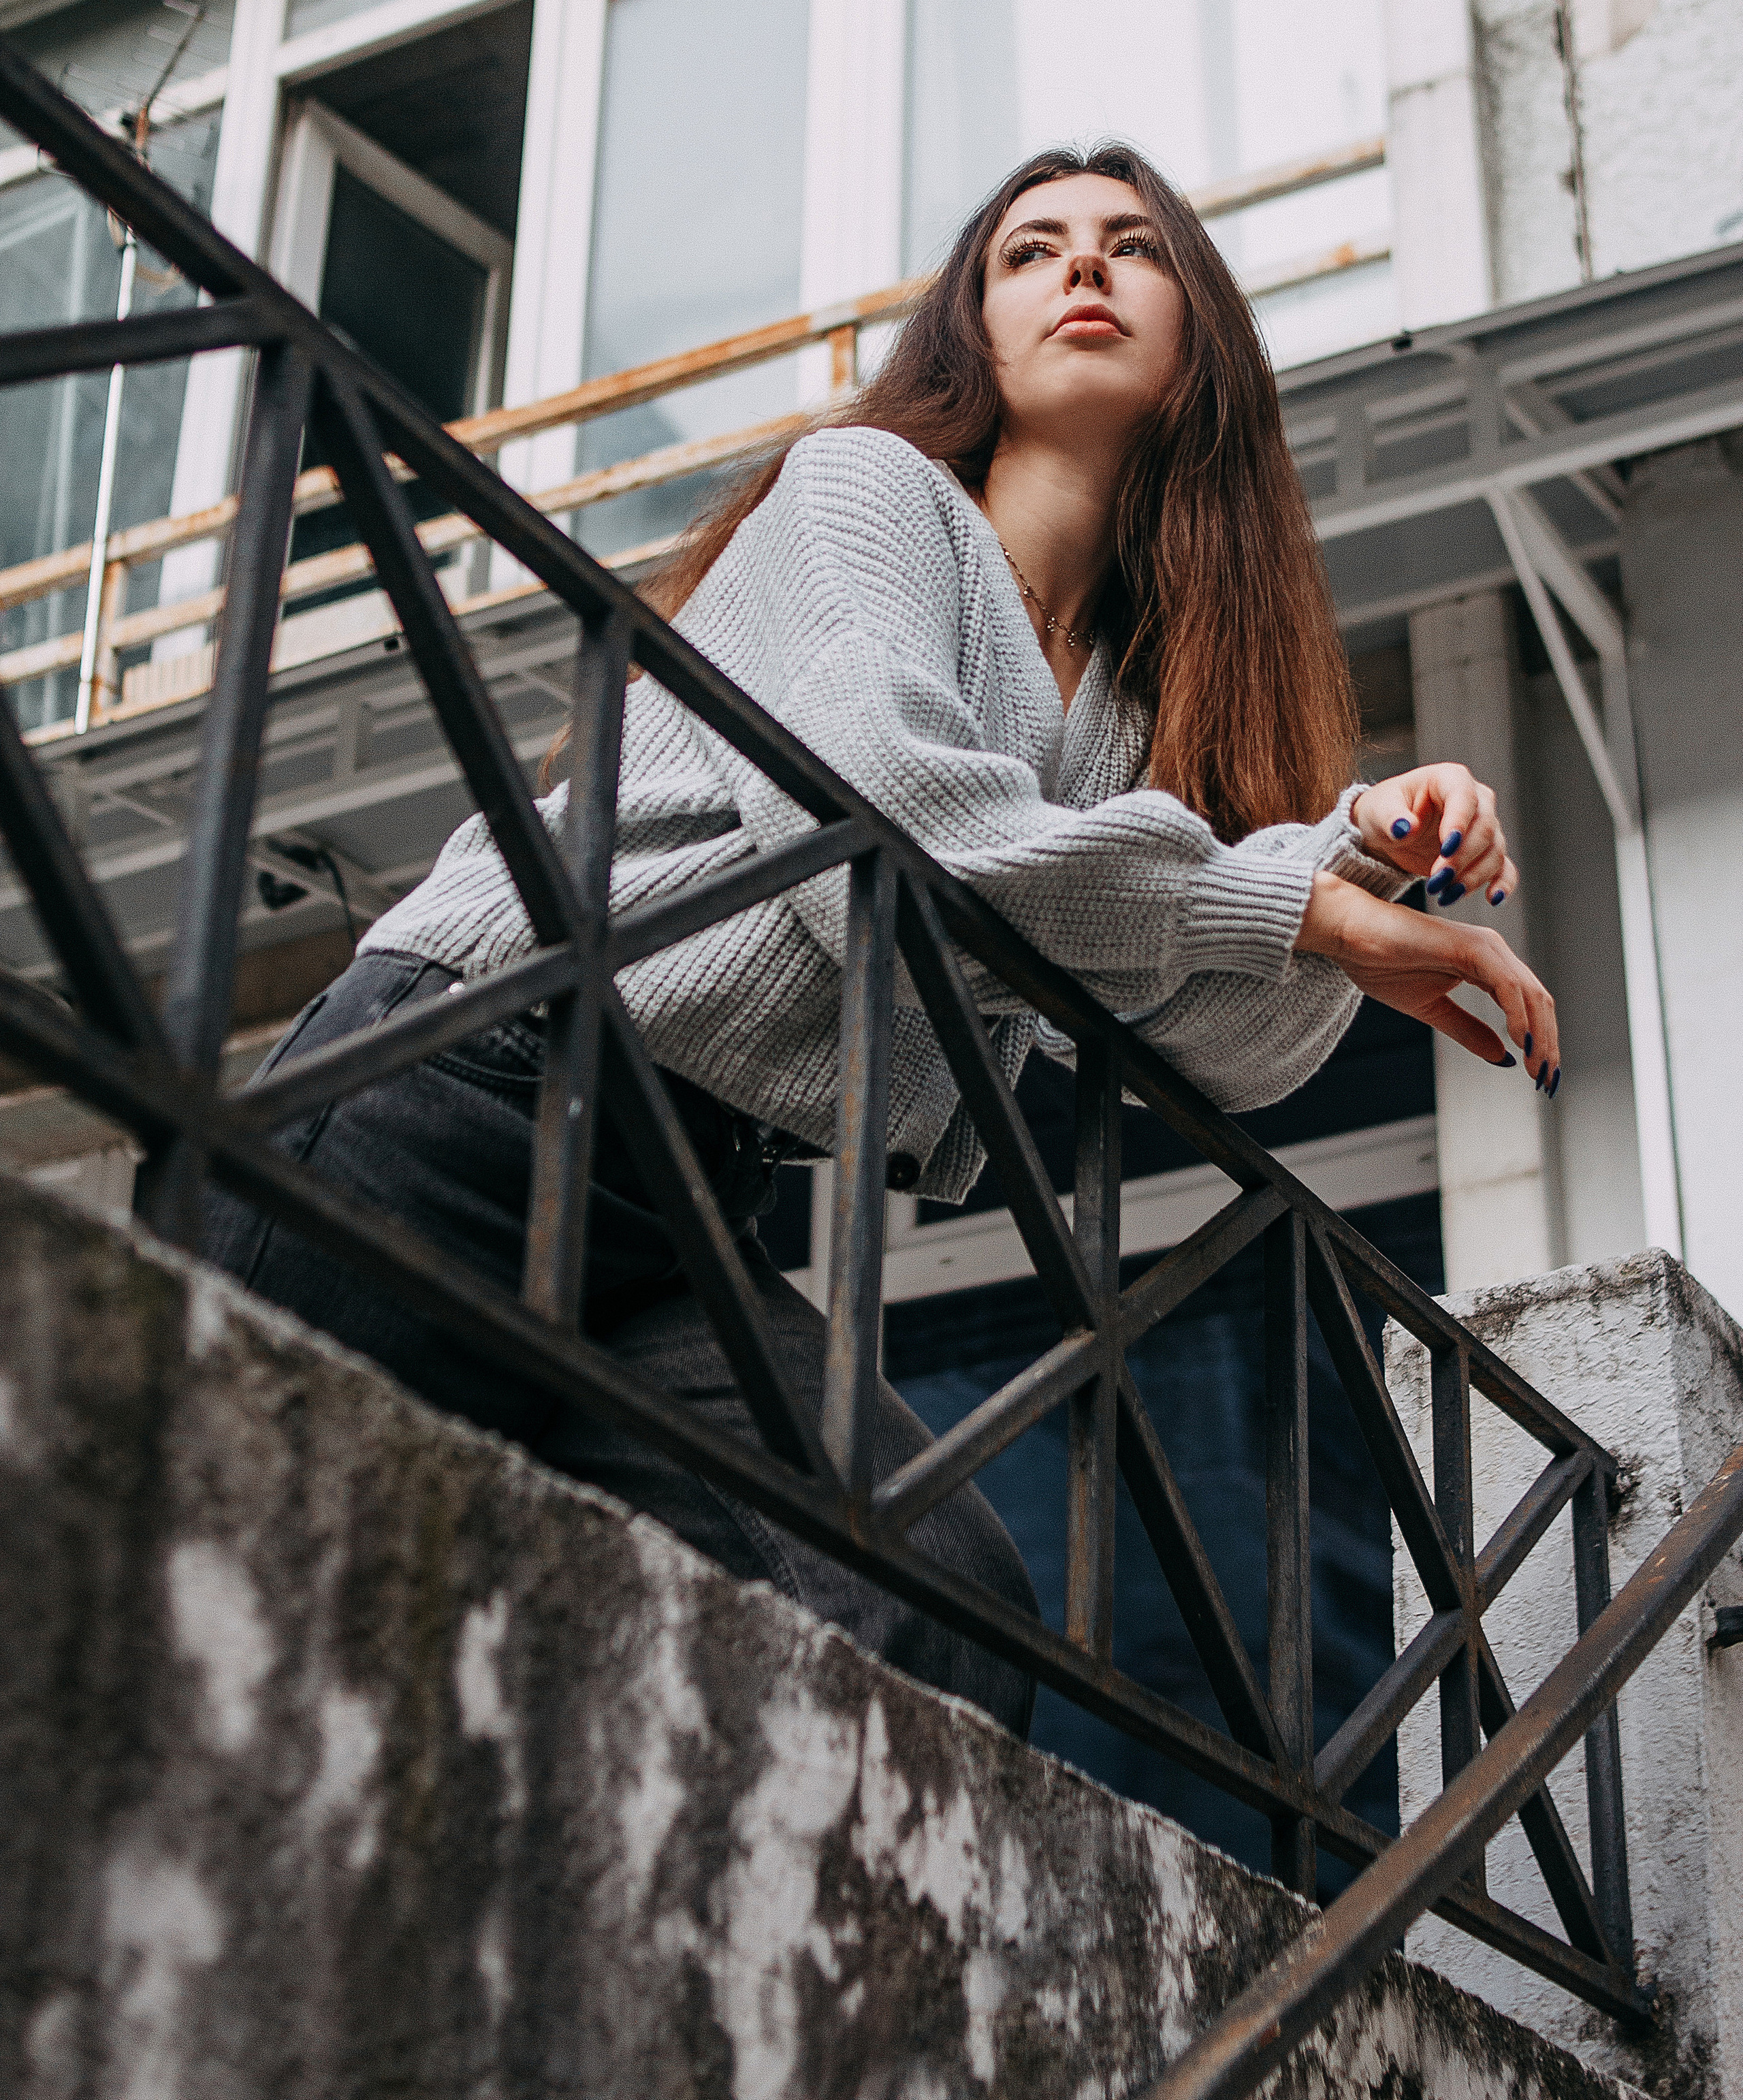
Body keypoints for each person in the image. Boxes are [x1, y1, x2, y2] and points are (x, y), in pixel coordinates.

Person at [202, 144, 1556, 1738]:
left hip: (680, 1200)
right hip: (468, 1071)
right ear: (969, 328)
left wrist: (1364, 860)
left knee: (931, 1609)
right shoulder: (860, 497)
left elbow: (1210, 1036)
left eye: (1131, 248)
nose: (1080, 271)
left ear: (1197, 337)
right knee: (180, 1491)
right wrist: (1290, 902)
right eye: (1029, 250)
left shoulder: (1123, 715)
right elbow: (897, 826)